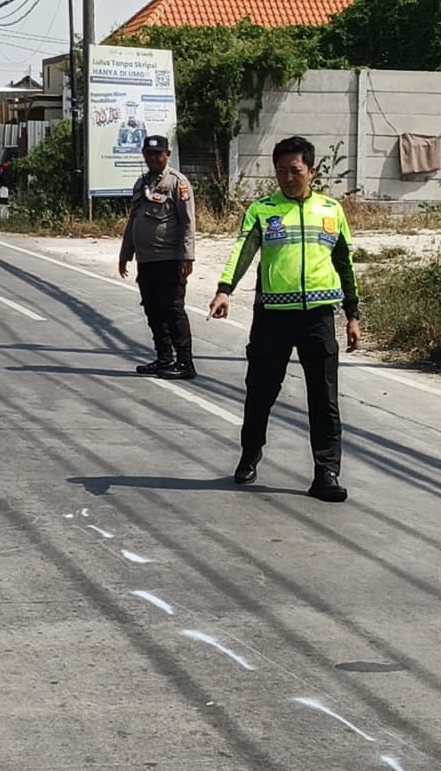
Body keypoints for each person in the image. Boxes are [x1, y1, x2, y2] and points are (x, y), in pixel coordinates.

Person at [209, 136, 359, 502]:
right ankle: (250, 452)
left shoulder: (331, 210)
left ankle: (326, 472)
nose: (288, 178)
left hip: (319, 317)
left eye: (295, 170)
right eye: (281, 171)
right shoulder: (263, 210)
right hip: (273, 317)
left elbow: (345, 264)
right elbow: (242, 251)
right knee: (260, 392)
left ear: (312, 171)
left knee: (324, 398)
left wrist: (353, 314)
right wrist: (225, 289)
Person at [117, 134, 199, 379]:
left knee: (173, 310)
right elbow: (133, 220)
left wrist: (187, 256)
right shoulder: (141, 183)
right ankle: (164, 357)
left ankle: (185, 362)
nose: (152, 158)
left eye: (157, 154)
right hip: (147, 260)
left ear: (167, 156)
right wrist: (125, 254)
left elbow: (187, 222)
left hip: (170, 258)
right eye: (148, 154)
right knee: (153, 310)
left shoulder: (177, 183)